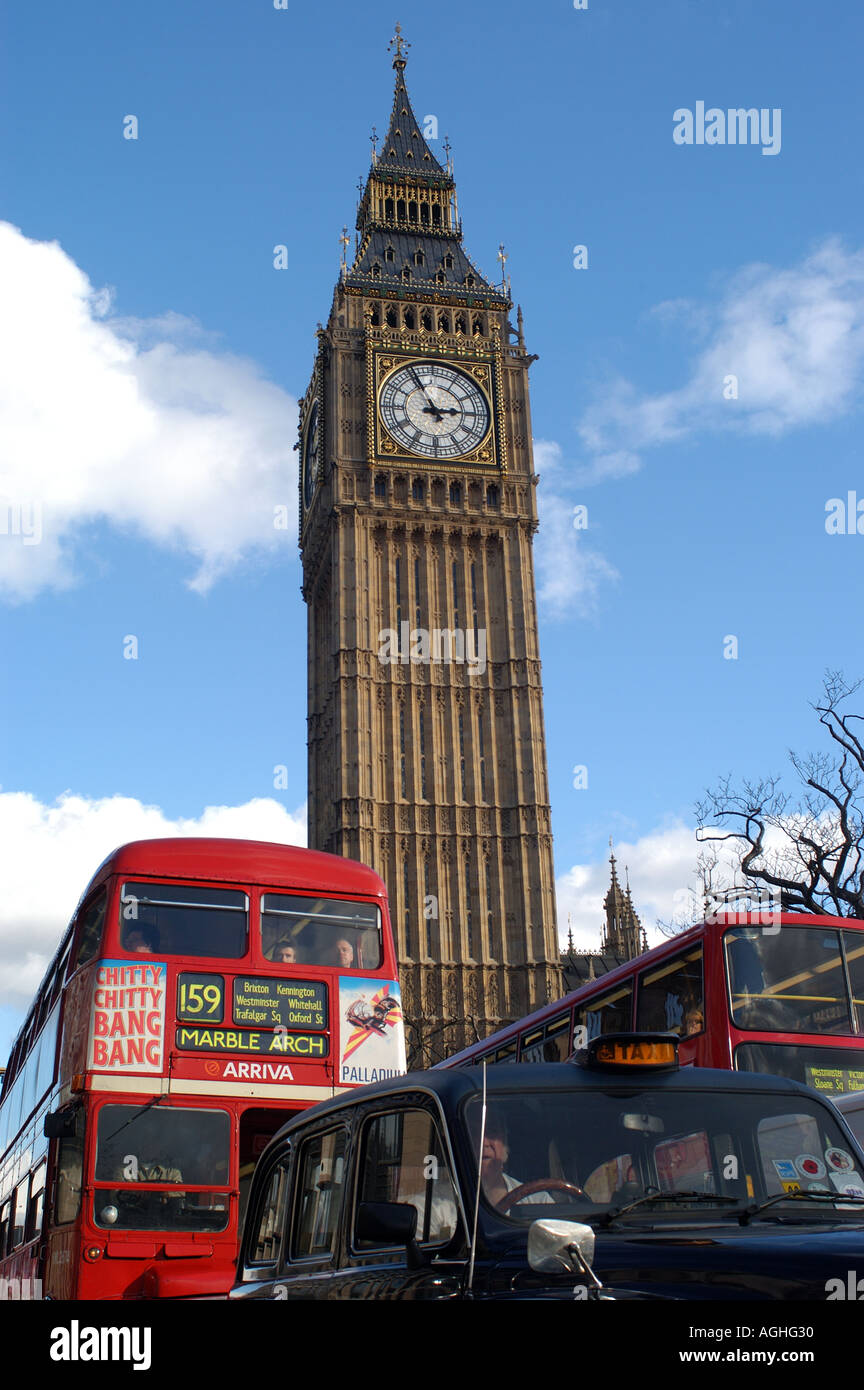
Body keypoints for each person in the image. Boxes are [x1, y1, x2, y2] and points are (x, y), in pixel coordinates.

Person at [475, 1112, 554, 1209]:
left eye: (492, 1132)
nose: (483, 1143)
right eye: (473, 1132)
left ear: (505, 1144)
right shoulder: (451, 1204)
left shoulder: (539, 1202)